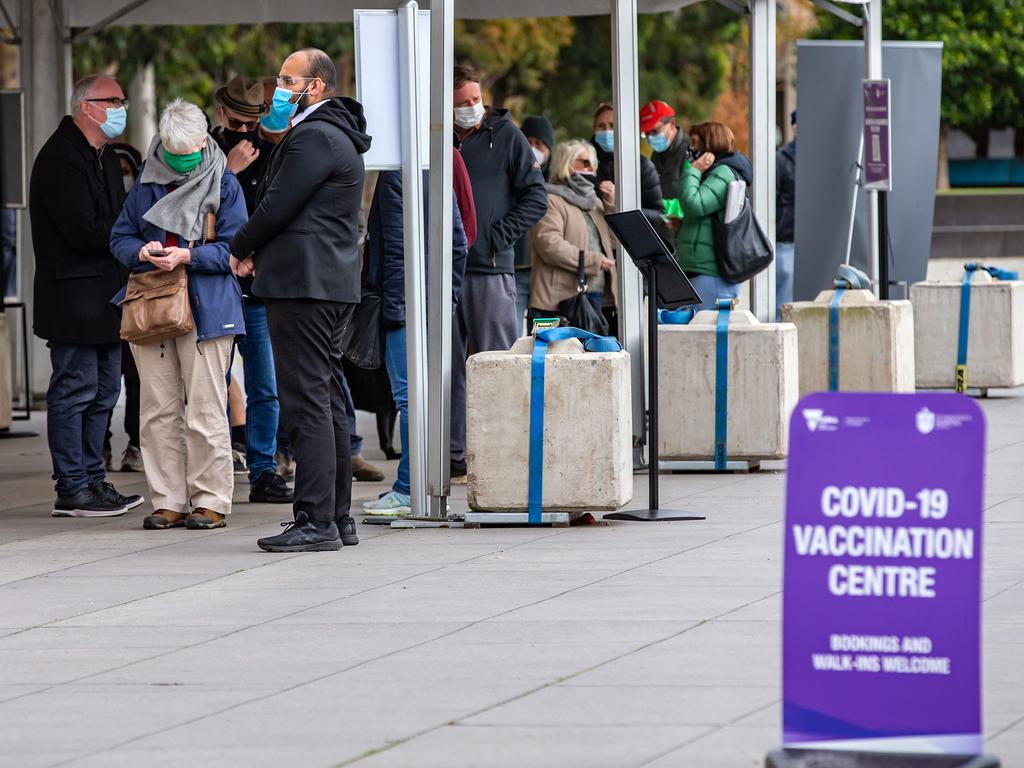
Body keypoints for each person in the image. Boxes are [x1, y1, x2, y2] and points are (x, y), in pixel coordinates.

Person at [230, 48, 372, 553]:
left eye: (288, 80)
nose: (278, 89)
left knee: (307, 403)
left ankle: (316, 520)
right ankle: (336, 517)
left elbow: (276, 206)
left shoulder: (314, 136)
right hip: (323, 284)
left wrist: (240, 246)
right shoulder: (334, 135)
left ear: (315, 87)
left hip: (304, 286)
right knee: (327, 399)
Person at [111, 98, 248, 531]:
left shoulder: (225, 182)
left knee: (205, 409)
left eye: (189, 154)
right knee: (156, 409)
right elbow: (120, 237)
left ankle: (210, 500)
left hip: (207, 307)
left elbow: (235, 250)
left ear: (205, 142)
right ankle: (168, 499)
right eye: (173, 154)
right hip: (153, 305)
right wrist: (141, 250)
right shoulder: (147, 181)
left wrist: (186, 256)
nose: (181, 162)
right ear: (162, 146)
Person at [29, 74, 142, 518]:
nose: (121, 107)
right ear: (87, 106)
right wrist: (128, 237)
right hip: (73, 300)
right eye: (113, 100)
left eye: (122, 98)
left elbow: (117, 220)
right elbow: (86, 231)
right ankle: (71, 486)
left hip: (107, 298)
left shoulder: (105, 157)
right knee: (74, 390)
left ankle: (93, 479)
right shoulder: (60, 158)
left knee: (102, 393)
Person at [450, 64, 547, 482]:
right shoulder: (436, 138)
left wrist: (495, 238)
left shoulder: (507, 136)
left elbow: (536, 197)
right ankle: (453, 453)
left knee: (496, 362)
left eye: (477, 99)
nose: (473, 107)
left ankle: (506, 451)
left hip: (489, 269)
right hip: (441, 271)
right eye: (463, 102)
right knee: (447, 369)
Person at [363, 165, 469, 515]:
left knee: (408, 397)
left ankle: (409, 489)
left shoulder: (398, 176)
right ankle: (419, 487)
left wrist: (394, 312)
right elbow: (458, 244)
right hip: (430, 307)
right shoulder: (435, 173)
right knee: (421, 397)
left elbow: (396, 251)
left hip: (404, 307)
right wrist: (447, 302)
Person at [211, 75, 294, 504]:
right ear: (220, 114)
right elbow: (190, 208)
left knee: (266, 385)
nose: (244, 133)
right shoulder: (204, 151)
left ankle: (264, 467)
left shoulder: (276, 152)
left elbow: (282, 213)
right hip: (216, 286)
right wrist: (228, 171)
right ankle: (217, 465)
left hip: (259, 287)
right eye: (236, 124)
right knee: (213, 383)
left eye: (251, 125)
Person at [528, 139, 618, 329]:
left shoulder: (597, 204)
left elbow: (615, 243)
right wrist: (593, 261)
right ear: (565, 164)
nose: (590, 168)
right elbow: (549, 244)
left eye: (593, 164)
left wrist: (611, 207)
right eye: (584, 162)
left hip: (600, 300)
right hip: (559, 303)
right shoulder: (550, 200)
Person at [676, 121, 753, 311]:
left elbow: (694, 204)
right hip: (701, 270)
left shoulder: (723, 173)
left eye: (696, 143)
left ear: (709, 145)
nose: (692, 149)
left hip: (711, 273)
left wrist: (694, 170)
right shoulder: (714, 174)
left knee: (706, 335)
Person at [102, 142, 144, 474]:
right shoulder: (103, 207)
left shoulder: (141, 202)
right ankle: (100, 445)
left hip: (139, 299)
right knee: (105, 378)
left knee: (137, 378)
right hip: (106, 301)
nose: (122, 179)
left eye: (127, 172)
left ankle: (135, 444)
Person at [592, 102, 664, 238]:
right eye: (601, 126)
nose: (607, 131)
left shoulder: (641, 165)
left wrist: (626, 212)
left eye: (612, 126)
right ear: (594, 130)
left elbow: (658, 214)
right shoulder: (585, 162)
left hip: (629, 243)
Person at [513, 115, 554, 330]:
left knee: (542, 337)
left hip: (546, 271)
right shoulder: (510, 176)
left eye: (539, 144)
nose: (532, 148)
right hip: (518, 266)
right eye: (528, 142)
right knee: (512, 328)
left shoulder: (557, 181)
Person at [639, 99, 692, 230]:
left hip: (682, 235)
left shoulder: (690, 152)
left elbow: (694, 202)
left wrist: (657, 206)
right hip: (663, 233)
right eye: (646, 133)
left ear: (672, 123)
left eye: (655, 131)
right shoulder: (657, 154)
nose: (650, 138)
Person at [776, 109, 797, 320]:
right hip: (785, 238)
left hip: (810, 238)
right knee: (783, 298)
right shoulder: (782, 159)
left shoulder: (819, 158)